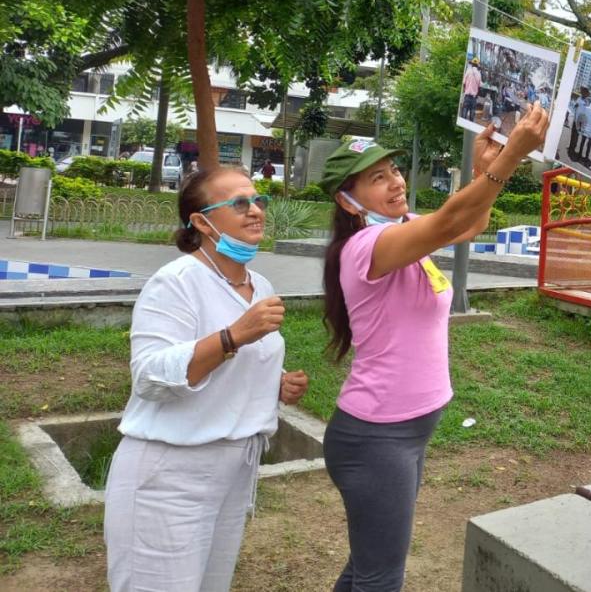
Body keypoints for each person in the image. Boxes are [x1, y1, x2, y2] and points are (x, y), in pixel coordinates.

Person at [320, 105, 548, 590]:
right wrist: (510, 157)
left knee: (367, 568)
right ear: (347, 201)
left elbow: (467, 224)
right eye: (376, 178)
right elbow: (449, 222)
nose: (395, 182)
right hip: (377, 437)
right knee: (381, 577)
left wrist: (487, 170)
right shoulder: (367, 246)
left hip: (402, 434)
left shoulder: (402, 230)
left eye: (393, 170)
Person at [105, 167, 308, 592]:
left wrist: (275, 383)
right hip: (171, 474)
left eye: (258, 201)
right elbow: (149, 376)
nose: (255, 211)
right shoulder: (175, 282)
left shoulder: (259, 285)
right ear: (201, 221)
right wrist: (233, 336)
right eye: (239, 203)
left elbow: (238, 363)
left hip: (233, 472)